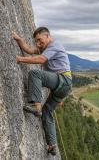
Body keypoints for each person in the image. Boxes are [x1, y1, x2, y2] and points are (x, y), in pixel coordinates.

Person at [12, 27, 72, 155]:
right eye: (36, 41)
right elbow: (29, 50)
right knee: (47, 112)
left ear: (47, 36)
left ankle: (35, 105)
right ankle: (52, 145)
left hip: (62, 80)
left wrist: (20, 59)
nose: (38, 44)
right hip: (63, 86)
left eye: (40, 40)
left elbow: (41, 59)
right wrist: (19, 39)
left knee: (35, 74)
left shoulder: (54, 45)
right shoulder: (45, 48)